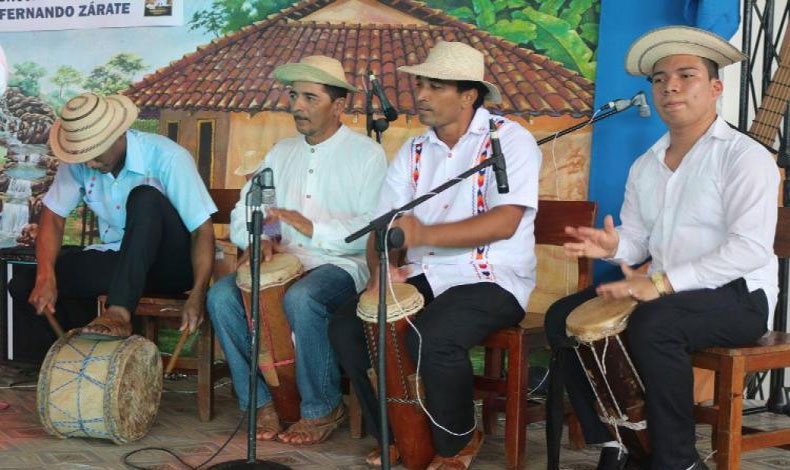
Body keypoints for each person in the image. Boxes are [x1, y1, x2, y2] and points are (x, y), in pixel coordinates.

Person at [544, 26, 778, 470]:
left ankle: (677, 461)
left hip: (739, 296)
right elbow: (637, 240)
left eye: (685, 75)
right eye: (658, 79)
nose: (669, 85)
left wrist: (662, 282)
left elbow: (748, 250)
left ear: (714, 89)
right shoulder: (646, 164)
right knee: (562, 319)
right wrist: (614, 245)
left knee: (654, 323)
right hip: (667, 292)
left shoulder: (744, 157)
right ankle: (622, 439)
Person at [329, 41, 542, 470]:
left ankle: (458, 440)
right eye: (420, 85)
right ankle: (396, 433)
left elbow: (504, 223)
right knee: (349, 327)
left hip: (491, 277)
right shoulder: (414, 150)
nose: (420, 95)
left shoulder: (510, 141)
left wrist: (423, 232)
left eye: (435, 86)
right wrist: (381, 273)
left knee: (431, 336)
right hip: (422, 273)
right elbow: (383, 227)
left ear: (468, 95)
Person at [206, 55, 387, 445]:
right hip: (284, 259)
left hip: (341, 263)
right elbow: (250, 210)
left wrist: (314, 228)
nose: (297, 106)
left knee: (305, 297)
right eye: (293, 95)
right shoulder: (280, 153)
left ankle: (322, 408)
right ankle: (257, 403)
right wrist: (261, 237)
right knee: (221, 296)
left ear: (339, 105)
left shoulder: (366, 155)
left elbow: (373, 227)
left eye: (309, 97)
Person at [8, 92, 216, 340]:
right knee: (24, 285)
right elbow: (53, 216)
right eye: (84, 158)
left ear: (118, 134)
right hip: (120, 261)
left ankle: (118, 312)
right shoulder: (82, 162)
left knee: (145, 197)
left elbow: (202, 231)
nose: (90, 165)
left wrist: (198, 293)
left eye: (96, 155)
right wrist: (45, 276)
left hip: (170, 266)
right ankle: (82, 358)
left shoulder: (168, 157)